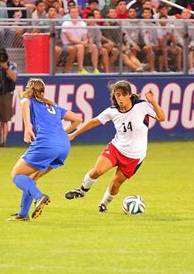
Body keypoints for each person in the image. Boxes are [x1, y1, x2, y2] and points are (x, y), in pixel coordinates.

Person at [65, 80, 166, 213]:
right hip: (116, 148)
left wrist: (152, 101)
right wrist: (74, 134)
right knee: (97, 171)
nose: (120, 98)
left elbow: (162, 118)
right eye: (118, 95)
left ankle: (103, 205)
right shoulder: (112, 111)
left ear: (129, 95)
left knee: (115, 184)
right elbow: (93, 122)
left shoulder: (142, 106)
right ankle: (82, 191)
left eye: (124, 94)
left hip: (135, 156)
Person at [7, 78, 83, 221]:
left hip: (46, 145)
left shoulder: (28, 101)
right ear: (43, 92)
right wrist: (62, 134)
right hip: (63, 147)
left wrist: (28, 128)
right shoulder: (53, 106)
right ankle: (23, 215)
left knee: (17, 175)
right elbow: (77, 119)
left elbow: (24, 102)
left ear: (30, 90)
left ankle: (39, 197)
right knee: (31, 178)